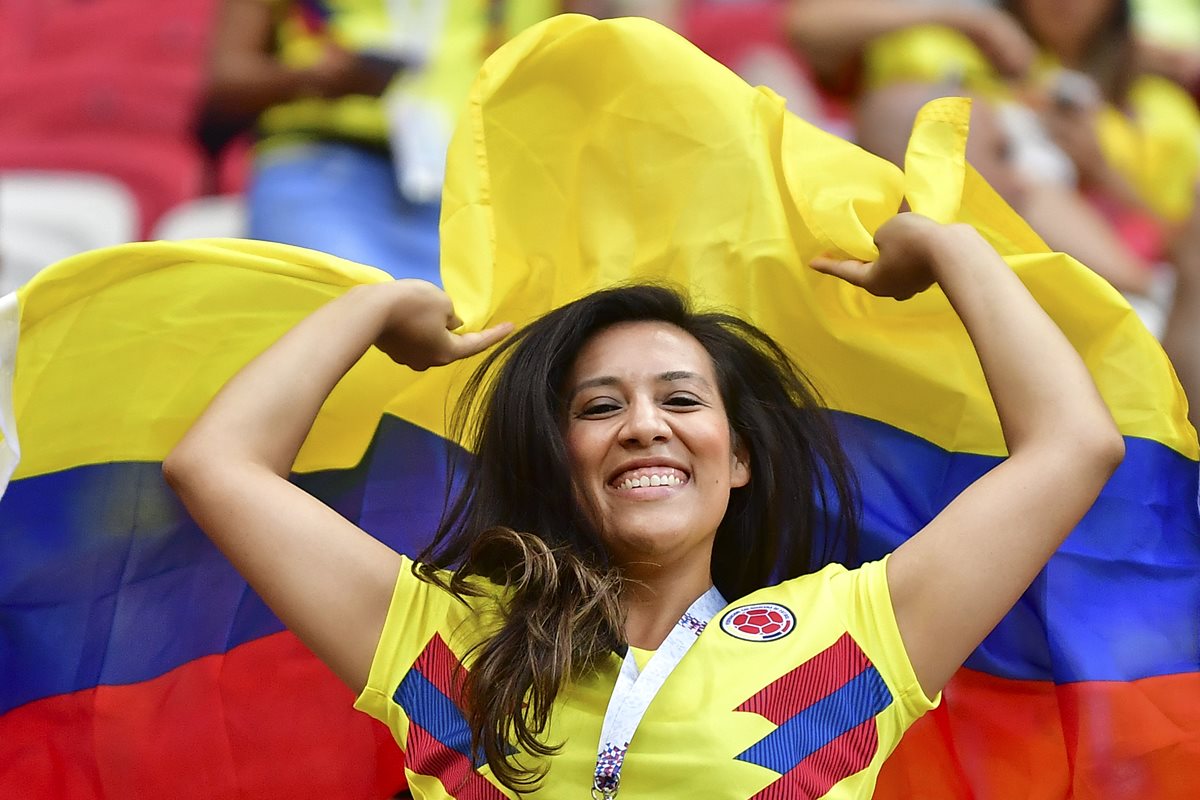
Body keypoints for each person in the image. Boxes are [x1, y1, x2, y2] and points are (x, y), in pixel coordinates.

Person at [162, 209, 1124, 797]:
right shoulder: (447, 647)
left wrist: (946, 248)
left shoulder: (852, 642)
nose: (644, 426)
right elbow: (217, 466)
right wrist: (377, 309)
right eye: (599, 407)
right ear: (559, 456)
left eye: (680, 399)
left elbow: (1074, 445)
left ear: (737, 457)